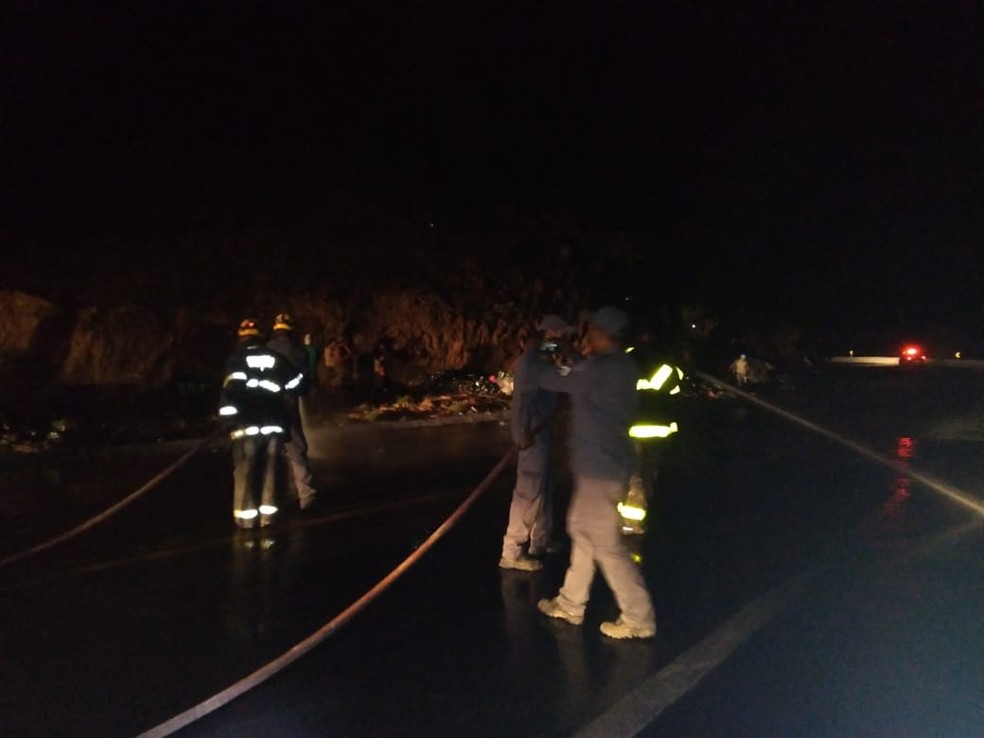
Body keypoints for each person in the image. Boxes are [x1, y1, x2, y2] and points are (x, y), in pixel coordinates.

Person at [533, 306, 657, 640]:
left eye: (591, 331)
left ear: (601, 334)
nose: (587, 336)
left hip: (600, 469)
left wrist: (545, 346)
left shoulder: (602, 369)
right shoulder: (623, 366)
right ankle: (570, 603)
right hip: (606, 464)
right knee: (583, 530)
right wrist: (570, 355)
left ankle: (638, 617)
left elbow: (550, 376)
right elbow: (577, 370)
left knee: (604, 541)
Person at [498, 314, 574, 572]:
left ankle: (540, 541)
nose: (563, 339)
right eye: (561, 334)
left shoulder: (542, 358)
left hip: (541, 431)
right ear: (551, 332)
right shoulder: (533, 360)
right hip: (532, 434)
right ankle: (512, 551)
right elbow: (554, 384)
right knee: (528, 491)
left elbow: (559, 379)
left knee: (544, 486)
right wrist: (521, 431)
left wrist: (564, 364)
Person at [218, 318, 304, 528]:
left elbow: (230, 393)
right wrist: (283, 393)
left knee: (245, 471)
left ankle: (246, 520)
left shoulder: (236, 360)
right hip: (273, 425)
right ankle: (268, 517)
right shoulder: (275, 358)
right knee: (271, 470)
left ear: (241, 338)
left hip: (245, 427)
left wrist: (227, 419)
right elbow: (297, 381)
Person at [268, 312, 319, 511]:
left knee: (270, 451)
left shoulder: (266, 350)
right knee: (296, 448)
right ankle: (307, 497)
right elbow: (304, 380)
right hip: (288, 405)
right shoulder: (298, 351)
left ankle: (272, 499)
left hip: (267, 408)